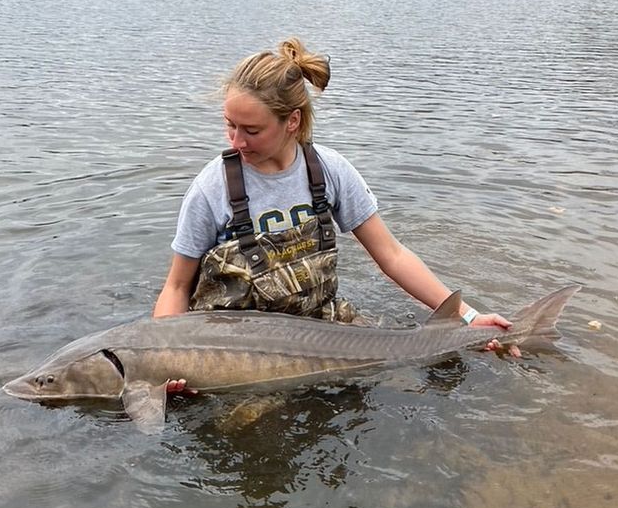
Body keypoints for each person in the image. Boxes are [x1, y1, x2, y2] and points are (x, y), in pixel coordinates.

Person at [154, 37, 516, 359]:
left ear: (291, 121)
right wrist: (162, 360)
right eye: (230, 125)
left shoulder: (329, 170)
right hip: (234, 348)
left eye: (252, 130)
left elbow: (392, 255)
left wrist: (468, 317)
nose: (235, 142)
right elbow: (177, 286)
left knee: (405, 361)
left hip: (321, 325)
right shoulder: (212, 187)